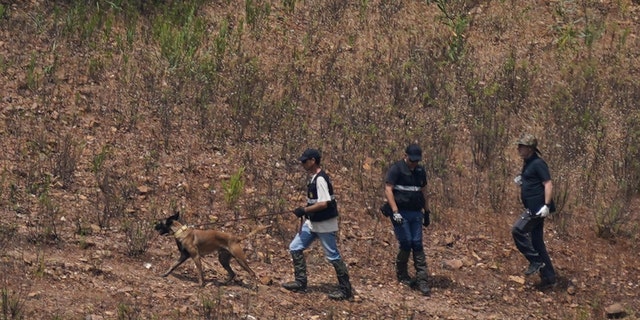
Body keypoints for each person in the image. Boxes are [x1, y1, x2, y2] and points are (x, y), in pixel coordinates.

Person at [282, 148, 354, 301]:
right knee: (295, 247)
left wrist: (304, 209)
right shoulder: (313, 178)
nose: (303, 164)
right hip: (313, 222)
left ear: (313, 161)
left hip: (325, 224)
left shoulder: (321, 179)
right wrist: (305, 211)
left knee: (332, 255)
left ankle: (345, 290)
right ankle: (300, 282)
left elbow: (323, 203)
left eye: (305, 161)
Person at [383, 143, 431, 296]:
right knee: (406, 242)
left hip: (416, 212)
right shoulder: (396, 169)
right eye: (412, 160)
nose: (414, 163)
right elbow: (388, 189)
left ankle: (422, 279)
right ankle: (402, 273)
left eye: (416, 161)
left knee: (417, 243)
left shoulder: (420, 171)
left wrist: (427, 211)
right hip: (401, 212)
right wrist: (395, 211)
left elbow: (424, 191)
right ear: (406, 156)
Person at [511, 133, 557, 290]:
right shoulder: (528, 162)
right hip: (533, 207)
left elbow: (548, 184)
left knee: (517, 230)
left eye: (521, 146)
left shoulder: (538, 163)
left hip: (537, 208)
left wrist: (546, 205)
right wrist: (522, 179)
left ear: (530, 149)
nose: (519, 149)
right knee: (537, 242)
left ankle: (535, 261)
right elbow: (533, 180)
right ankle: (549, 277)